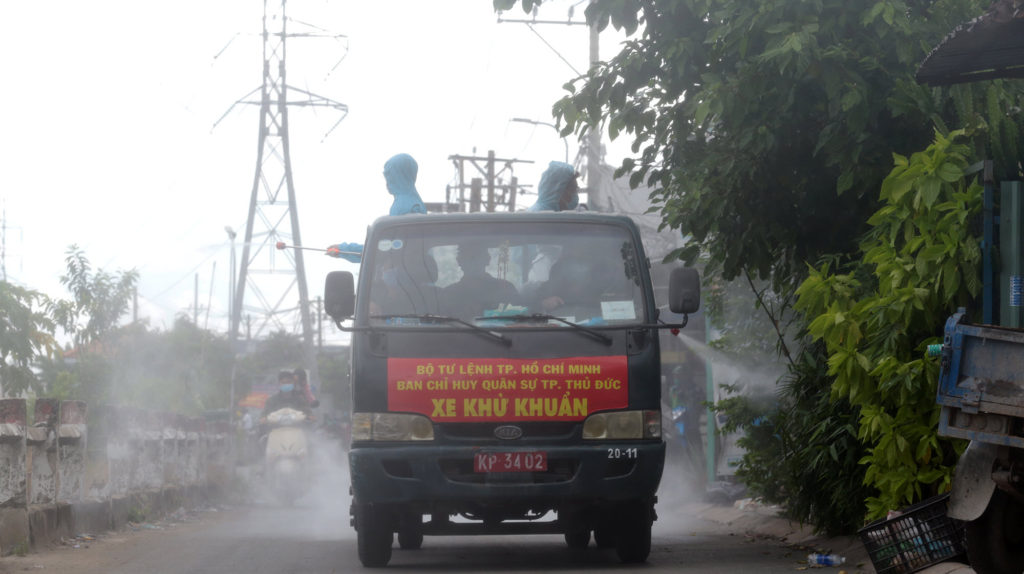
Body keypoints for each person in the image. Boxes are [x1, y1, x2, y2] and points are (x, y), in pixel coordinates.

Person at [326, 153, 427, 263]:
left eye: (390, 176)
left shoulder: (404, 206)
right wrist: (343, 250)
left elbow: (385, 250)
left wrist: (344, 250)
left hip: (404, 278)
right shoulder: (412, 201)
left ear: (399, 176)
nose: (387, 182)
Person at [439, 244, 521, 319]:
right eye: (467, 257)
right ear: (459, 261)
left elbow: (520, 322)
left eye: (476, 257)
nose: (472, 262)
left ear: (487, 259)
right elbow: (439, 326)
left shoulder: (506, 290)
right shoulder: (448, 294)